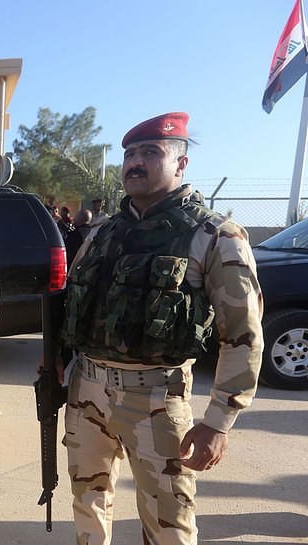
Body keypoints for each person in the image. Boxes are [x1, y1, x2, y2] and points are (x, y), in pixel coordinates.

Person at [52, 112, 263, 544]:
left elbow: (243, 336)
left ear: (181, 164)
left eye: (151, 152)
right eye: (130, 153)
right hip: (86, 389)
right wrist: (60, 358)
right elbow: (75, 301)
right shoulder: (102, 232)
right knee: (87, 504)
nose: (135, 162)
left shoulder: (215, 235)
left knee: (169, 522)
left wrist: (219, 421)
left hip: (155, 399)